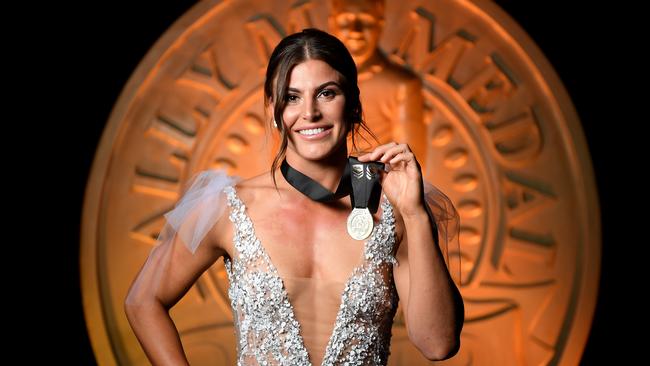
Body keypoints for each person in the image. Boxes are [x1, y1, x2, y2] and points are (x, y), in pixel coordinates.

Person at [124, 28, 463, 366]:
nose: (310, 113)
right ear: (273, 110)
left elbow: (438, 344)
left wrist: (416, 214)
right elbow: (143, 302)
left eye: (327, 93)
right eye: (292, 97)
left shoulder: (397, 210)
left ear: (354, 105)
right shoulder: (228, 207)